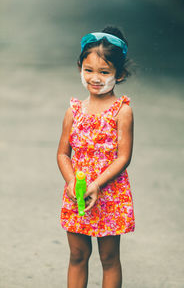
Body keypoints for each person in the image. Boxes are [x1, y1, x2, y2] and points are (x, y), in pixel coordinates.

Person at [57, 25, 135, 288]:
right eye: (88, 70)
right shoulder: (74, 111)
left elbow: (123, 157)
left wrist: (97, 184)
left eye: (104, 72)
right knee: (78, 254)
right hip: (77, 193)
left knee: (109, 257)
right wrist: (70, 182)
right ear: (80, 67)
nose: (95, 78)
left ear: (119, 74)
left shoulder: (121, 111)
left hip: (109, 193)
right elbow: (62, 153)